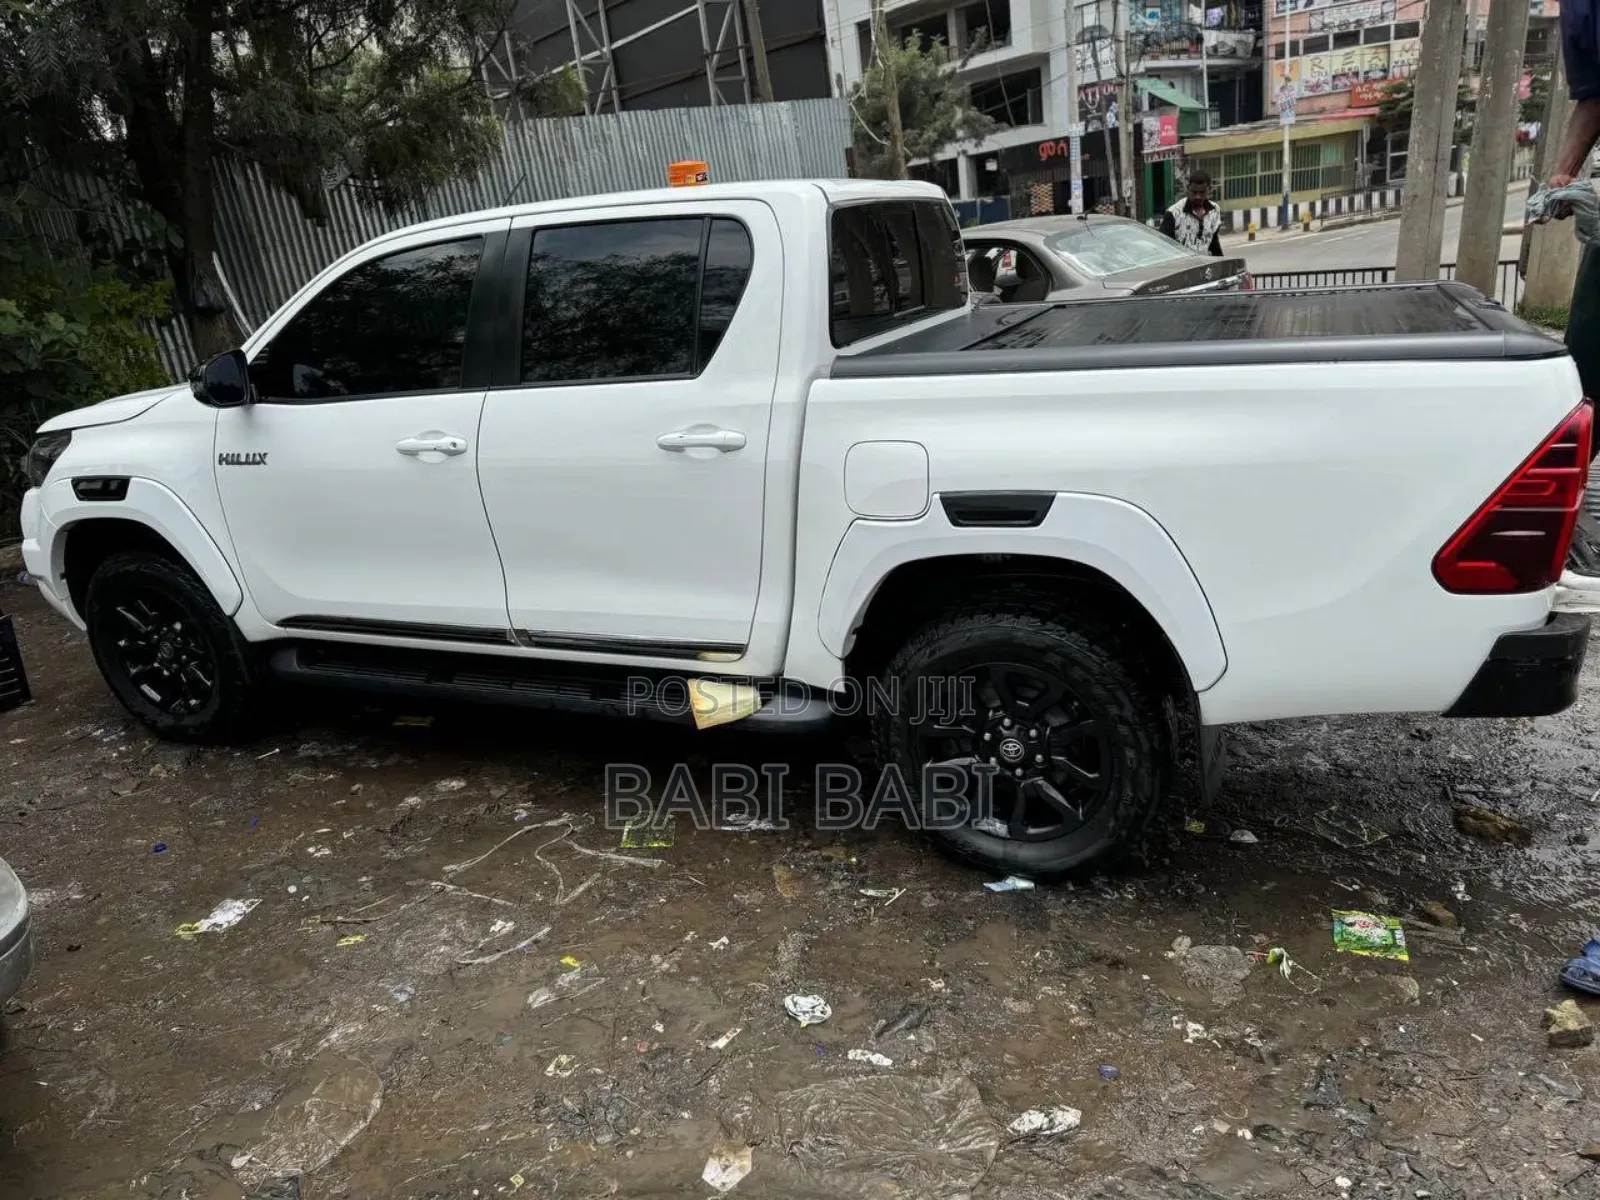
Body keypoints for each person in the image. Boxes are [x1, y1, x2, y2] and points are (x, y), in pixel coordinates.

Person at [1158, 170, 1224, 256]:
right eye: (1194, 192)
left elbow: (1214, 242)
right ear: (1187, 188)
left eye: (1202, 192)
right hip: (1183, 263)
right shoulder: (1173, 213)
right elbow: (1163, 246)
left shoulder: (1215, 210)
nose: (1197, 196)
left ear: (1209, 189)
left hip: (1205, 262)